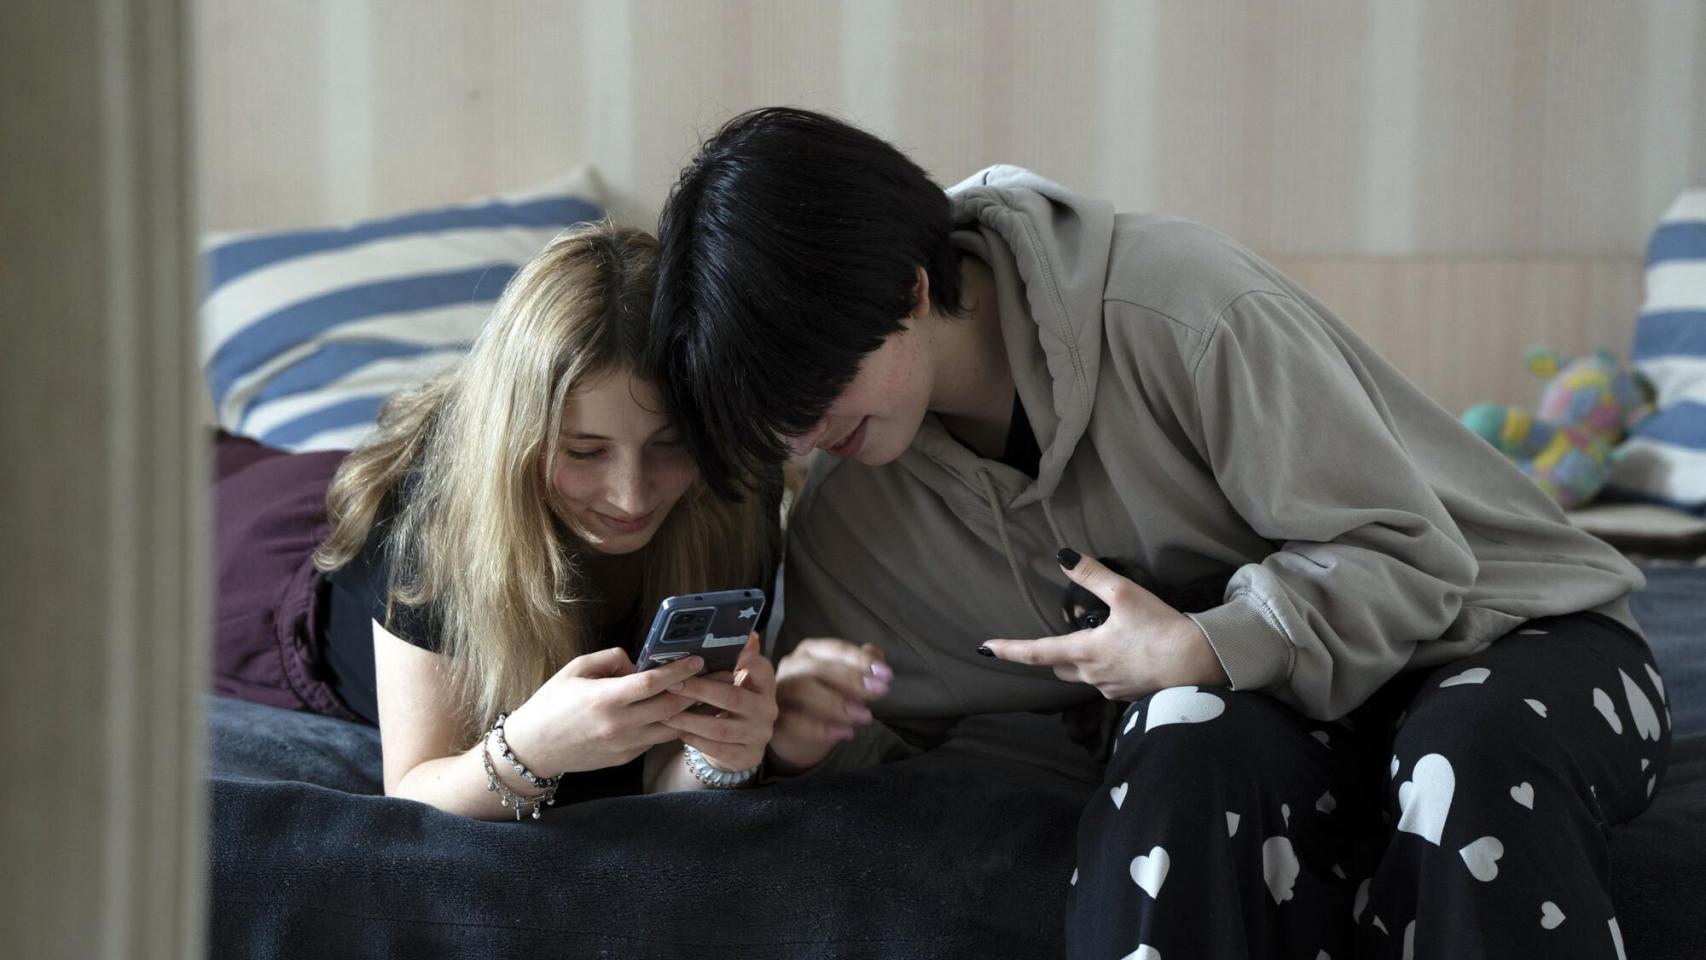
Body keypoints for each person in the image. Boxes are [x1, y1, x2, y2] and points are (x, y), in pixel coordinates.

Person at [648, 107, 1670, 958]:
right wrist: (802, 734)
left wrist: (1206, 640)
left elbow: (1411, 556)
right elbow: (887, 733)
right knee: (1179, 739)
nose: (807, 431)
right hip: (1279, 716)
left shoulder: (1178, 310)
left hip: (1509, 632)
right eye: (775, 415)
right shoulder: (853, 511)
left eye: (816, 384)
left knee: (1466, 754)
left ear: (907, 289)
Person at [212, 222, 782, 819]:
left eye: (671, 444)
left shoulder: (735, 485)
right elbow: (413, 792)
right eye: (584, 451)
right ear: (516, 441)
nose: (632, 495)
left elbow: (660, 781)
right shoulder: (426, 515)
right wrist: (530, 750)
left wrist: (719, 755)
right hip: (264, 560)